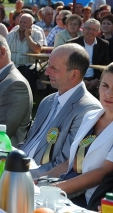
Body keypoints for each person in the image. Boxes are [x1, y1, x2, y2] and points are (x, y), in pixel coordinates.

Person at [19, 44, 102, 178]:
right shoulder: (48, 101)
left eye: (53, 68)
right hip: (22, 168)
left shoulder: (88, 110)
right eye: (48, 65)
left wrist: (19, 174)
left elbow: (64, 165)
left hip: (40, 183)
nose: (46, 72)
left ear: (74, 74)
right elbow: (30, 142)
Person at [44, 63, 113, 208]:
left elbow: (103, 173)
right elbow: (73, 163)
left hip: (93, 202)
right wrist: (40, 180)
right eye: (105, 86)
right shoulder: (90, 116)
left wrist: (54, 189)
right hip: (67, 191)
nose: (109, 94)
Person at [68, 19, 110, 94]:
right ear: (83, 29)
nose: (90, 32)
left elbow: (105, 65)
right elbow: (68, 64)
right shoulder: (72, 43)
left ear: (98, 32)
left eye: (94, 29)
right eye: (88, 28)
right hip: (76, 79)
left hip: (96, 80)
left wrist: (97, 80)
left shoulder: (104, 45)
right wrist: (80, 80)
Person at [6, 13, 43, 90]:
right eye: (21, 22)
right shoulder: (11, 35)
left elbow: (36, 50)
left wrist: (28, 36)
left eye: (25, 22)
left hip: (29, 64)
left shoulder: (37, 34)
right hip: (14, 64)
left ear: (31, 24)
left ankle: (27, 93)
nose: (22, 24)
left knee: (29, 71)